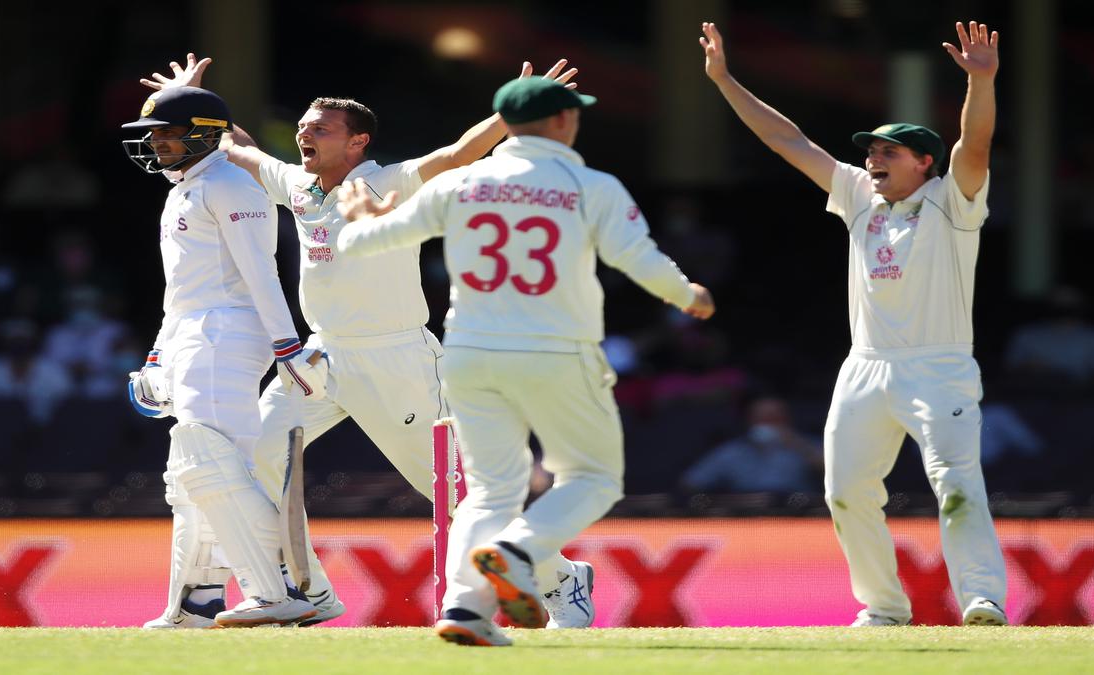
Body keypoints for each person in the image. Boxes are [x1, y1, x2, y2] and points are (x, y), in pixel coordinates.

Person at [141, 55, 595, 628]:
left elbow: (457, 154)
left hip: (396, 357)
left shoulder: (388, 181)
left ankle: (560, 579)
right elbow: (243, 151)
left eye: (320, 128)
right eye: (303, 126)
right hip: (317, 358)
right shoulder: (300, 186)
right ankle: (301, 592)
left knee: (454, 497)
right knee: (249, 462)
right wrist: (192, 103)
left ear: (357, 142)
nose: (304, 133)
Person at [336, 76, 716, 646]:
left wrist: (363, 217)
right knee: (593, 478)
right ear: (563, 121)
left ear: (505, 124)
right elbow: (637, 258)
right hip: (556, 351)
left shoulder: (461, 184)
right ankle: (518, 553)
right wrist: (690, 296)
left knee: (490, 490)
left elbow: (363, 245)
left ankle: (466, 607)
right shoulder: (591, 184)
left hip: (469, 355)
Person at [700, 20, 1008, 626]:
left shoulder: (952, 201)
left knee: (955, 483)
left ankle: (981, 598)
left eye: (887, 152)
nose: (872, 160)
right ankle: (884, 607)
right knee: (844, 492)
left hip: (938, 366)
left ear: (923, 162)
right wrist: (724, 80)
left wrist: (982, 82)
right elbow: (787, 141)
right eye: (870, 151)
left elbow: (974, 144)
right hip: (865, 366)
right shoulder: (859, 196)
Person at [121, 85, 327, 628]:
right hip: (196, 335)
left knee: (208, 465)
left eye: (168, 132)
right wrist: (158, 356)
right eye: (154, 133)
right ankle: (195, 604)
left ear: (205, 133)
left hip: (228, 335)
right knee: (193, 476)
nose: (157, 143)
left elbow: (262, 270)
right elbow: (182, 291)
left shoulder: (234, 183)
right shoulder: (187, 186)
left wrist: (288, 346)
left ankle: (283, 589)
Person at [680, 396, 821, 494]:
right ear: (749, 421)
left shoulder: (807, 445)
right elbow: (691, 483)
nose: (767, 424)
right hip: (746, 515)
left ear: (787, 420)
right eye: (761, 419)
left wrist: (797, 444)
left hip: (798, 513)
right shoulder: (731, 451)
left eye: (773, 419)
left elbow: (835, 474)